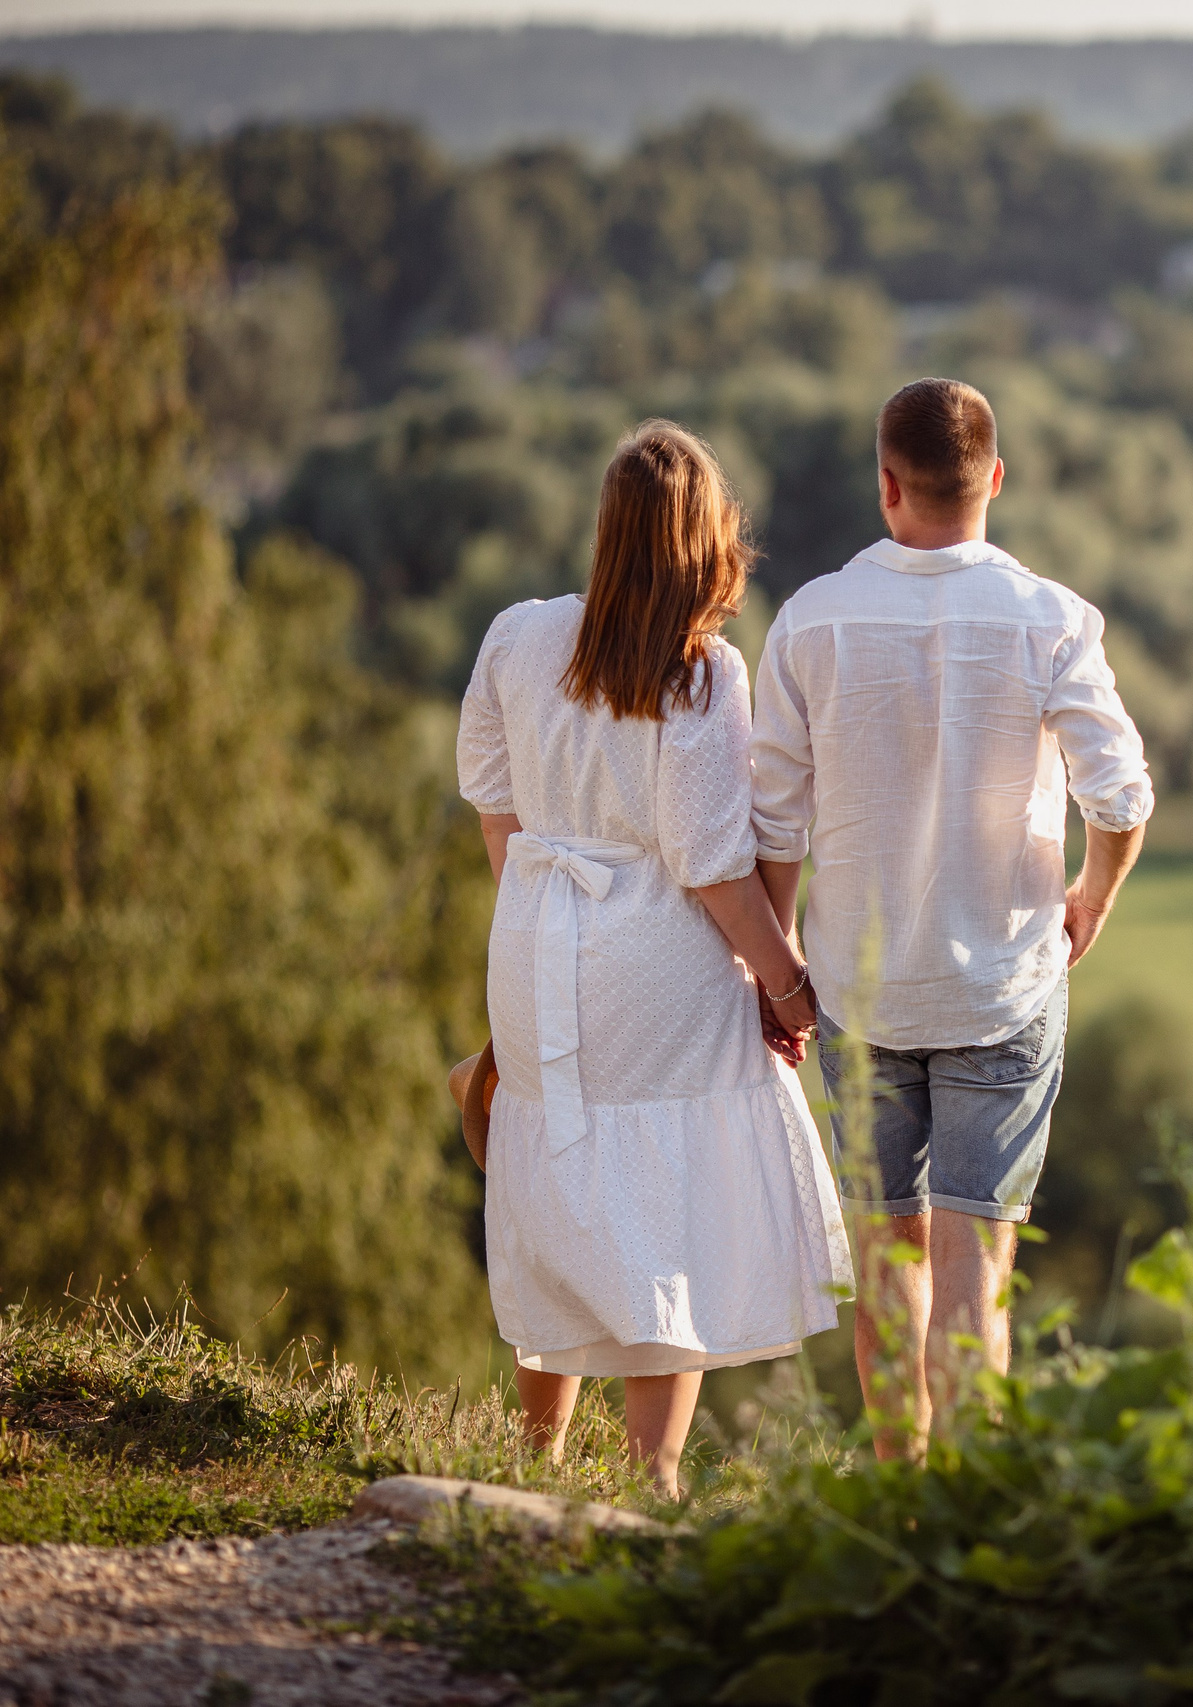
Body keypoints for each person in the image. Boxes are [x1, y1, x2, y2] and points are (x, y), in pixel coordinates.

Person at [751, 377, 1151, 1457]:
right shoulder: (1052, 620)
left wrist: (778, 968)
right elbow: (1120, 798)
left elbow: (772, 823)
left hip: (858, 992)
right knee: (978, 1291)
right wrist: (1092, 899)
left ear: (886, 485)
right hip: (1004, 987)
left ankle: (898, 1499)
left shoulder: (811, 621)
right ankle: (971, 1523)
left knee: (889, 1273)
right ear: (996, 481)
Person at [456, 420, 853, 1495]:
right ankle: (652, 1475)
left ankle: (533, 1455)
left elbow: (495, 807)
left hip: (539, 938)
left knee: (558, 1179)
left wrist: (540, 924)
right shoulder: (702, 675)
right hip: (660, 967)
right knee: (667, 1203)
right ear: (705, 543)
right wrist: (788, 983)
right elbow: (714, 867)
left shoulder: (519, 636)